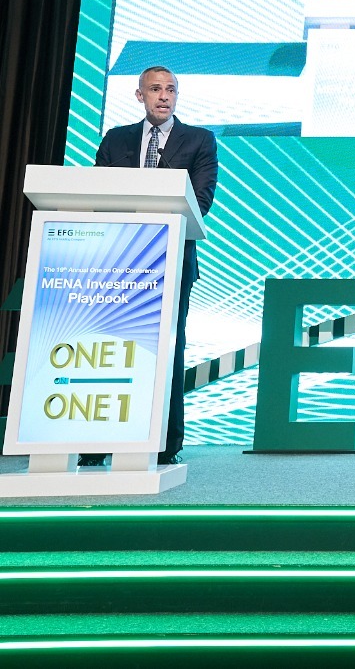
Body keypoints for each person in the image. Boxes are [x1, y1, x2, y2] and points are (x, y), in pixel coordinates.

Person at [80, 66, 217, 468]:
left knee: (167, 349)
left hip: (171, 259)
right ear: (140, 95)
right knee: (109, 348)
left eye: (171, 89)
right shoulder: (116, 138)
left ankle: (164, 443)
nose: (164, 96)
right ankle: (95, 442)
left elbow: (201, 201)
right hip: (117, 261)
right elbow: (97, 193)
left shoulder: (199, 140)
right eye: (155, 89)